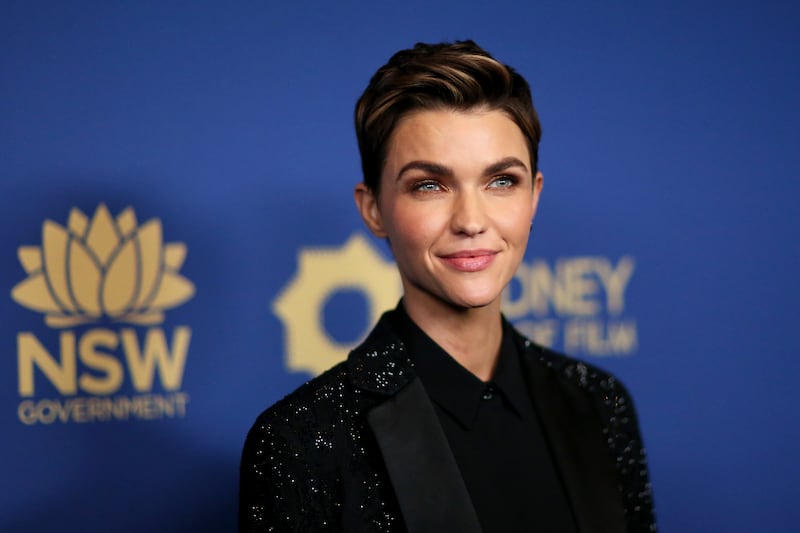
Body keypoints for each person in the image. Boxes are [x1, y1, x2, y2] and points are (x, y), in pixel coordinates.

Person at [239, 40, 656, 533]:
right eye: (429, 185)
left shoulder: (599, 403)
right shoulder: (301, 439)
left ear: (534, 195)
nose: (471, 221)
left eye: (501, 181)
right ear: (373, 208)